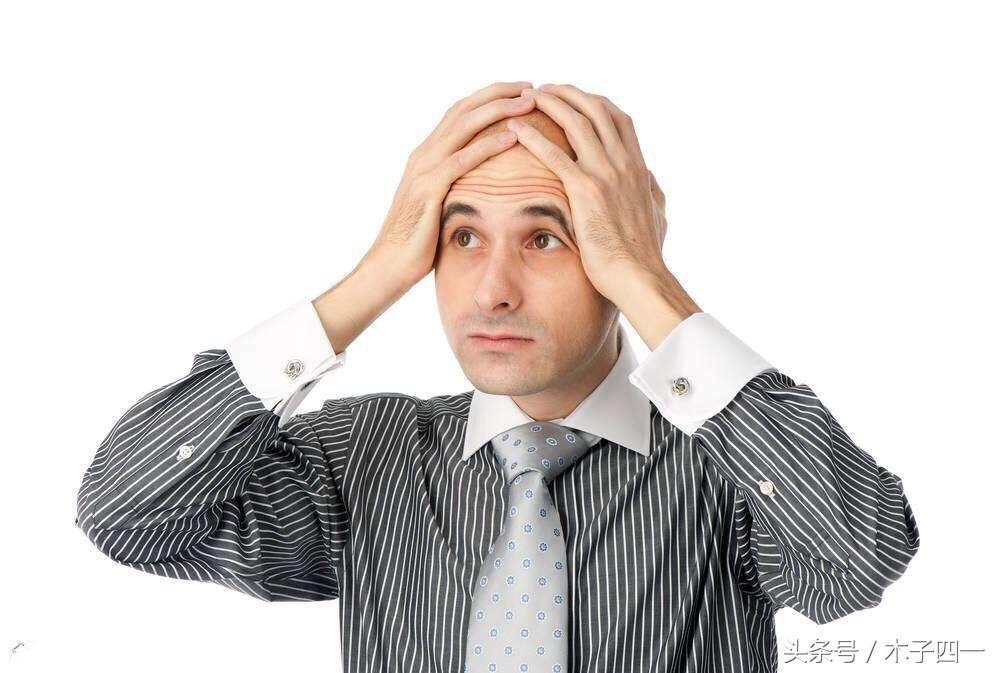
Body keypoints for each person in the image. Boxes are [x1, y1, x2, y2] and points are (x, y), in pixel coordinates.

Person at [74, 80, 920, 673]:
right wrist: (376, 273)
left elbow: (860, 559)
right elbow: (128, 515)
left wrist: (650, 281)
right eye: (463, 237)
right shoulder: (363, 456)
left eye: (546, 238)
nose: (491, 291)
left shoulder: (727, 466)